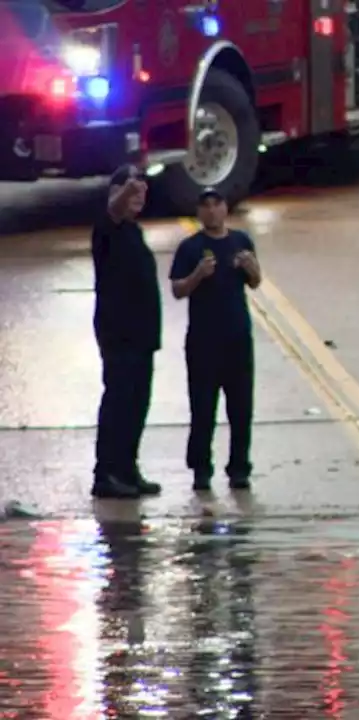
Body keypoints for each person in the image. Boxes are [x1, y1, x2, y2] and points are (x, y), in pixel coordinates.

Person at [169, 187, 262, 492]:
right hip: (203, 341)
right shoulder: (189, 248)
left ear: (225, 209)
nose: (211, 211)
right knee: (203, 408)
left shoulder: (241, 242)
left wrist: (251, 268)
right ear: (199, 212)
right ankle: (201, 469)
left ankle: (239, 468)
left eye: (216, 204)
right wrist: (198, 275)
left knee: (240, 407)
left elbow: (256, 281)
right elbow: (178, 289)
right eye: (205, 206)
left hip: (237, 338)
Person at [91, 165, 163, 499]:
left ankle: (127, 468)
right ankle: (106, 473)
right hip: (118, 332)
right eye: (129, 190)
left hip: (142, 335)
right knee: (119, 400)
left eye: (141, 191)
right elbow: (113, 210)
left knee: (138, 402)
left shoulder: (134, 231)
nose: (137, 196)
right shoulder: (108, 228)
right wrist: (128, 188)